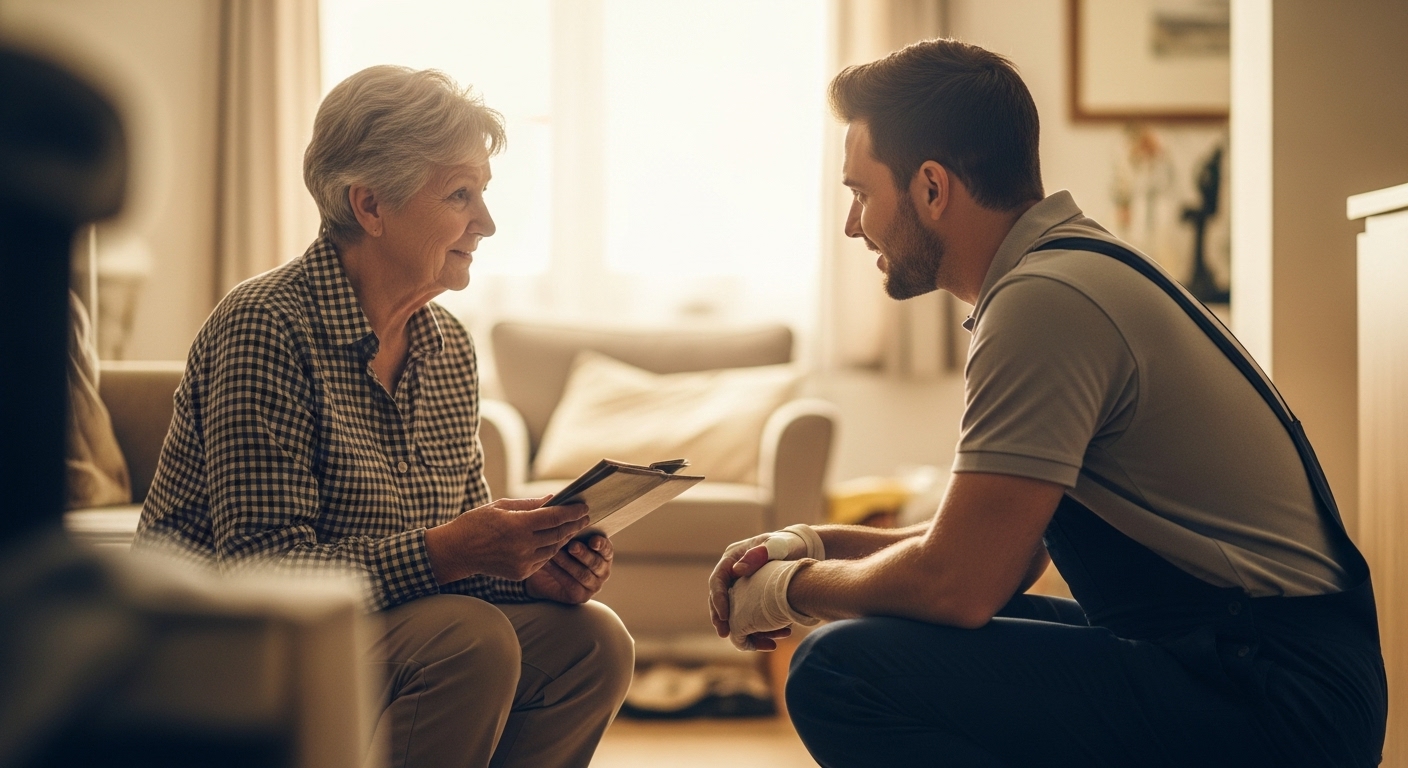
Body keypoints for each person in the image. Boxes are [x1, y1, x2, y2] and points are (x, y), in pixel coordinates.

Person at [709, 39, 1386, 767]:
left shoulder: (1043, 303)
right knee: (909, 632)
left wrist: (789, 592)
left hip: (1279, 696)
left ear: (932, 188)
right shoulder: (1062, 272)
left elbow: (958, 585)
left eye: (860, 193)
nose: (851, 224)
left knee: (839, 669)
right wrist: (805, 546)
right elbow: (996, 558)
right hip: (1252, 663)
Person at [135, 65, 633, 768]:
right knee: (469, 638)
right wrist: (453, 550)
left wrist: (524, 572)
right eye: (461, 195)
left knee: (593, 644)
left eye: (483, 195)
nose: (486, 224)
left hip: (382, 626)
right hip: (224, 641)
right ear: (370, 206)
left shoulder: (447, 345)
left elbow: (447, 553)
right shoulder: (265, 326)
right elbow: (262, 570)